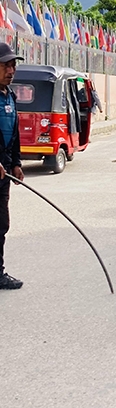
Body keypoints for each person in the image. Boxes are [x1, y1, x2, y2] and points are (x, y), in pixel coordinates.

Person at [0, 43, 24, 289]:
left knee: (1, 224)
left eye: (13, 65)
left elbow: (14, 134)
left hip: (4, 172)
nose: (11, 70)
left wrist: (16, 163)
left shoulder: (10, 96)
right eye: (6, 65)